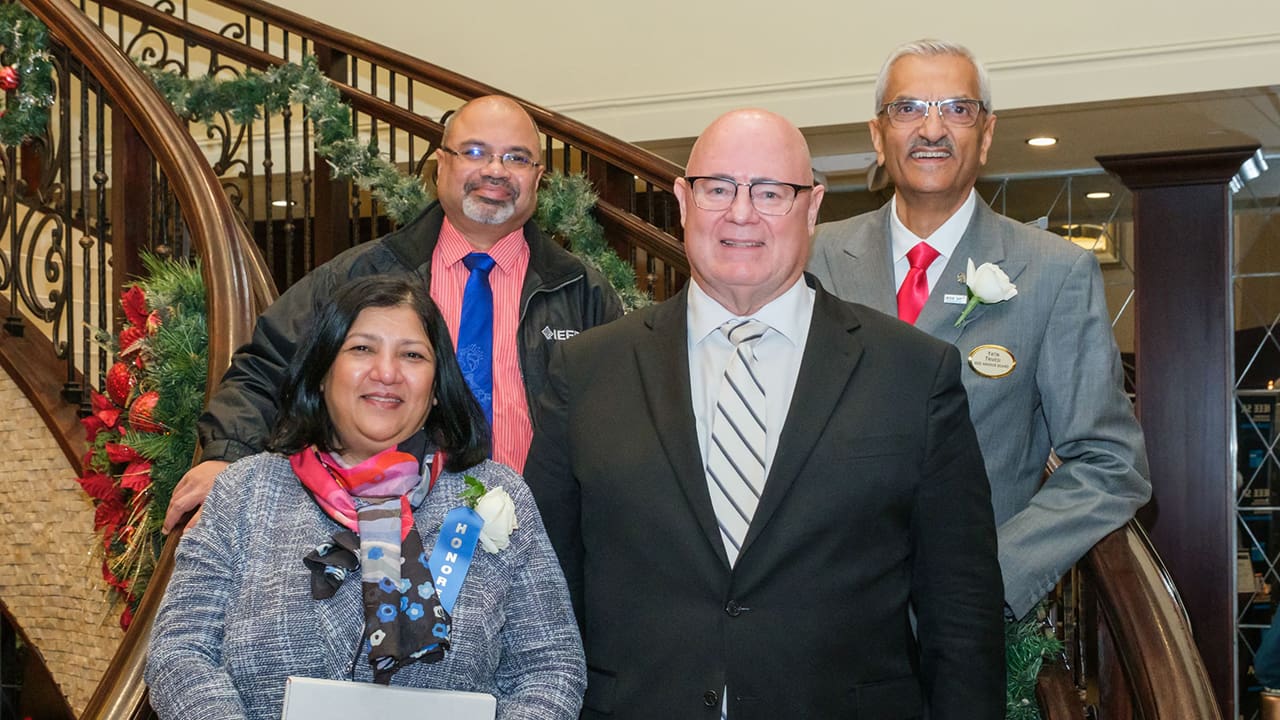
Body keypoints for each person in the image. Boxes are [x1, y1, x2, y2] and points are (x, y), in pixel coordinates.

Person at [524, 108, 1004, 718]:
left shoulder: (913, 372)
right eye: (718, 188)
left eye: (771, 192)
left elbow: (962, 613)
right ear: (682, 200)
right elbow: (542, 598)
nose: (741, 213)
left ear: (812, 207)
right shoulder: (589, 373)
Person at [163, 94, 624, 532]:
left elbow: (618, 425)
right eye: (475, 151)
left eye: (516, 158)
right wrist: (224, 456)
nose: (495, 170)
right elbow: (266, 366)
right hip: (378, 533)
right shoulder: (362, 273)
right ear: (441, 165)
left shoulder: (582, 293)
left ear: (538, 178)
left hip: (537, 543)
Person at [808, 38, 1152, 620]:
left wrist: (990, 580)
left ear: (987, 135)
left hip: (961, 638)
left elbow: (1109, 463)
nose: (932, 129)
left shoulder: (1054, 273)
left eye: (957, 109)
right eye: (909, 108)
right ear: (877, 134)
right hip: (817, 616)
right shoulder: (811, 261)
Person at [146, 275, 586, 720]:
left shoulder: (496, 493)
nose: (388, 373)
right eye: (362, 349)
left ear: (436, 388)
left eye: (412, 355)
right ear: (321, 373)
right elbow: (180, 651)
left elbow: (550, 667)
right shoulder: (243, 492)